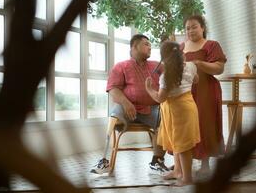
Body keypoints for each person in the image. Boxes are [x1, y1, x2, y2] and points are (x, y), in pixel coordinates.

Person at [90, 34, 169, 175]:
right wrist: (126, 103)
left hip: (152, 109)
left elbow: (172, 79)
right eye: (146, 44)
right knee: (114, 117)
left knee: (165, 118)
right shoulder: (121, 66)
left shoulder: (158, 65)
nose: (150, 46)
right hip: (126, 108)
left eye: (150, 44)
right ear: (134, 47)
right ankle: (104, 160)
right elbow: (113, 89)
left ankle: (156, 161)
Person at [145, 41, 200, 186]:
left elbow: (160, 98)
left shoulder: (166, 76)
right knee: (178, 143)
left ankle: (187, 178)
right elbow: (196, 80)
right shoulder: (192, 66)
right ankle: (177, 171)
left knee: (183, 147)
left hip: (177, 111)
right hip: (188, 107)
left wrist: (149, 89)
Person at [182, 15, 227, 174]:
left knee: (204, 123)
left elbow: (219, 68)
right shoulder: (181, 47)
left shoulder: (212, 45)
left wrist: (200, 63)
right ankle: (183, 163)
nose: (190, 30)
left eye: (194, 26)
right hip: (185, 91)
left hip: (206, 90)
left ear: (202, 28)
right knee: (184, 125)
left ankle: (205, 164)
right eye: (187, 28)